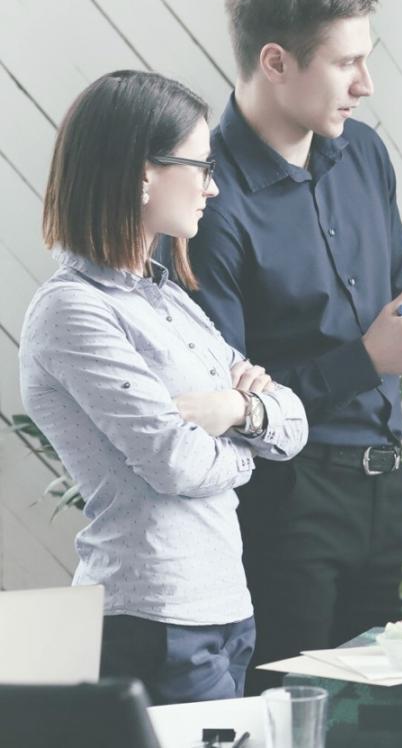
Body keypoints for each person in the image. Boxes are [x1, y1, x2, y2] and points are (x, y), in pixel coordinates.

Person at [187, 0, 402, 692]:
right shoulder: (207, 201)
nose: (366, 84)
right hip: (285, 504)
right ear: (276, 61)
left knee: (392, 720)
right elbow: (230, 402)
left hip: (388, 489)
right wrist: (369, 359)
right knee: (288, 717)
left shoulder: (364, 152)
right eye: (346, 63)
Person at [19, 70, 308, 704]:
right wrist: (247, 441)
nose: (213, 186)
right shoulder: (73, 309)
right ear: (143, 174)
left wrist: (232, 408)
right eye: (202, 167)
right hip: (152, 619)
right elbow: (175, 462)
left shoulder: (169, 299)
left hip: (227, 609)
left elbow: (292, 423)